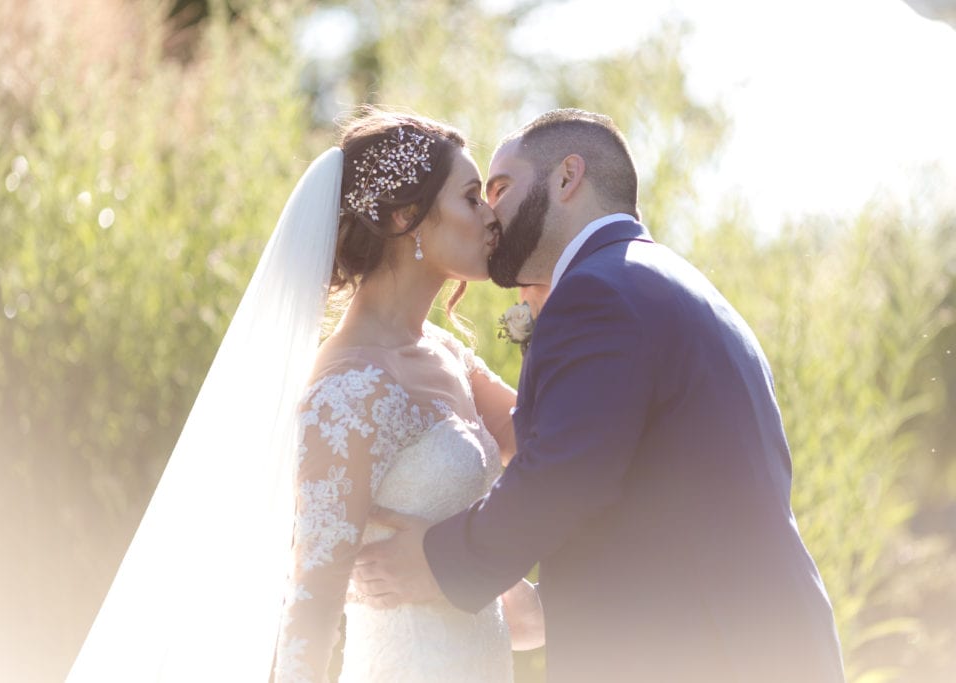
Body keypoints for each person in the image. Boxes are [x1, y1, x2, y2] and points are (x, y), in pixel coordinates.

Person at [352, 108, 848, 682]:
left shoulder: (599, 293)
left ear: (567, 178)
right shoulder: (647, 277)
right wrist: (547, 609)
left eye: (501, 188)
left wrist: (436, 562)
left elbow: (563, 476)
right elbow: (646, 492)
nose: (490, 216)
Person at [66, 108, 542, 683]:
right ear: (406, 217)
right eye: (471, 197)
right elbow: (311, 607)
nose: (493, 219)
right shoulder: (348, 391)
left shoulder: (449, 355)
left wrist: (549, 291)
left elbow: (550, 445)